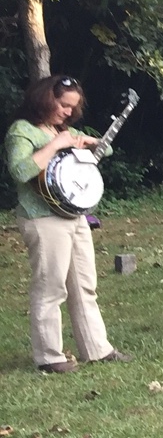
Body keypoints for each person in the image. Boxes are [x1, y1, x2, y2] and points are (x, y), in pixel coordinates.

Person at [6, 75, 129, 371]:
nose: (68, 112)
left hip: (73, 216)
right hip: (42, 217)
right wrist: (57, 144)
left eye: (72, 108)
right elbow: (20, 171)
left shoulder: (65, 129)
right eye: (63, 105)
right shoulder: (22, 131)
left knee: (84, 285)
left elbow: (106, 151)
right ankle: (49, 357)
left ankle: (96, 348)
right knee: (51, 287)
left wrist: (90, 141)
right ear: (45, 99)